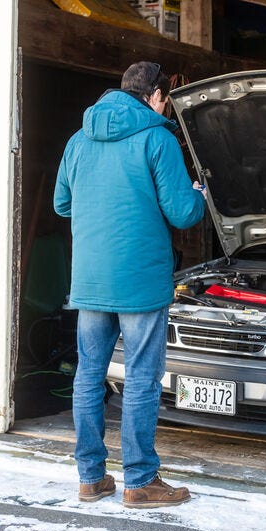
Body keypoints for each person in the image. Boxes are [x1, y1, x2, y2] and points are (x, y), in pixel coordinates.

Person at [54, 61, 206, 508]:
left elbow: (63, 204)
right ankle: (139, 482)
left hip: (90, 279)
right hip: (139, 281)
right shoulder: (158, 138)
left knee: (89, 375)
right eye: (167, 100)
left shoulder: (78, 140)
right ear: (156, 96)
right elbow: (182, 213)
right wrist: (196, 194)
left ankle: (91, 478)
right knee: (141, 378)